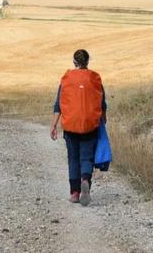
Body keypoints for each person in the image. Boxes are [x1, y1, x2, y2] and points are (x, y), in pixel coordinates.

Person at [50, 49, 107, 206]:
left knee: (73, 158)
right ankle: (85, 180)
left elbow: (58, 105)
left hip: (70, 126)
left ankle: (74, 193)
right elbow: (102, 104)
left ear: (74, 62)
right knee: (86, 157)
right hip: (90, 126)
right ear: (88, 62)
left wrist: (54, 125)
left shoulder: (66, 79)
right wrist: (103, 121)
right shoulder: (95, 78)